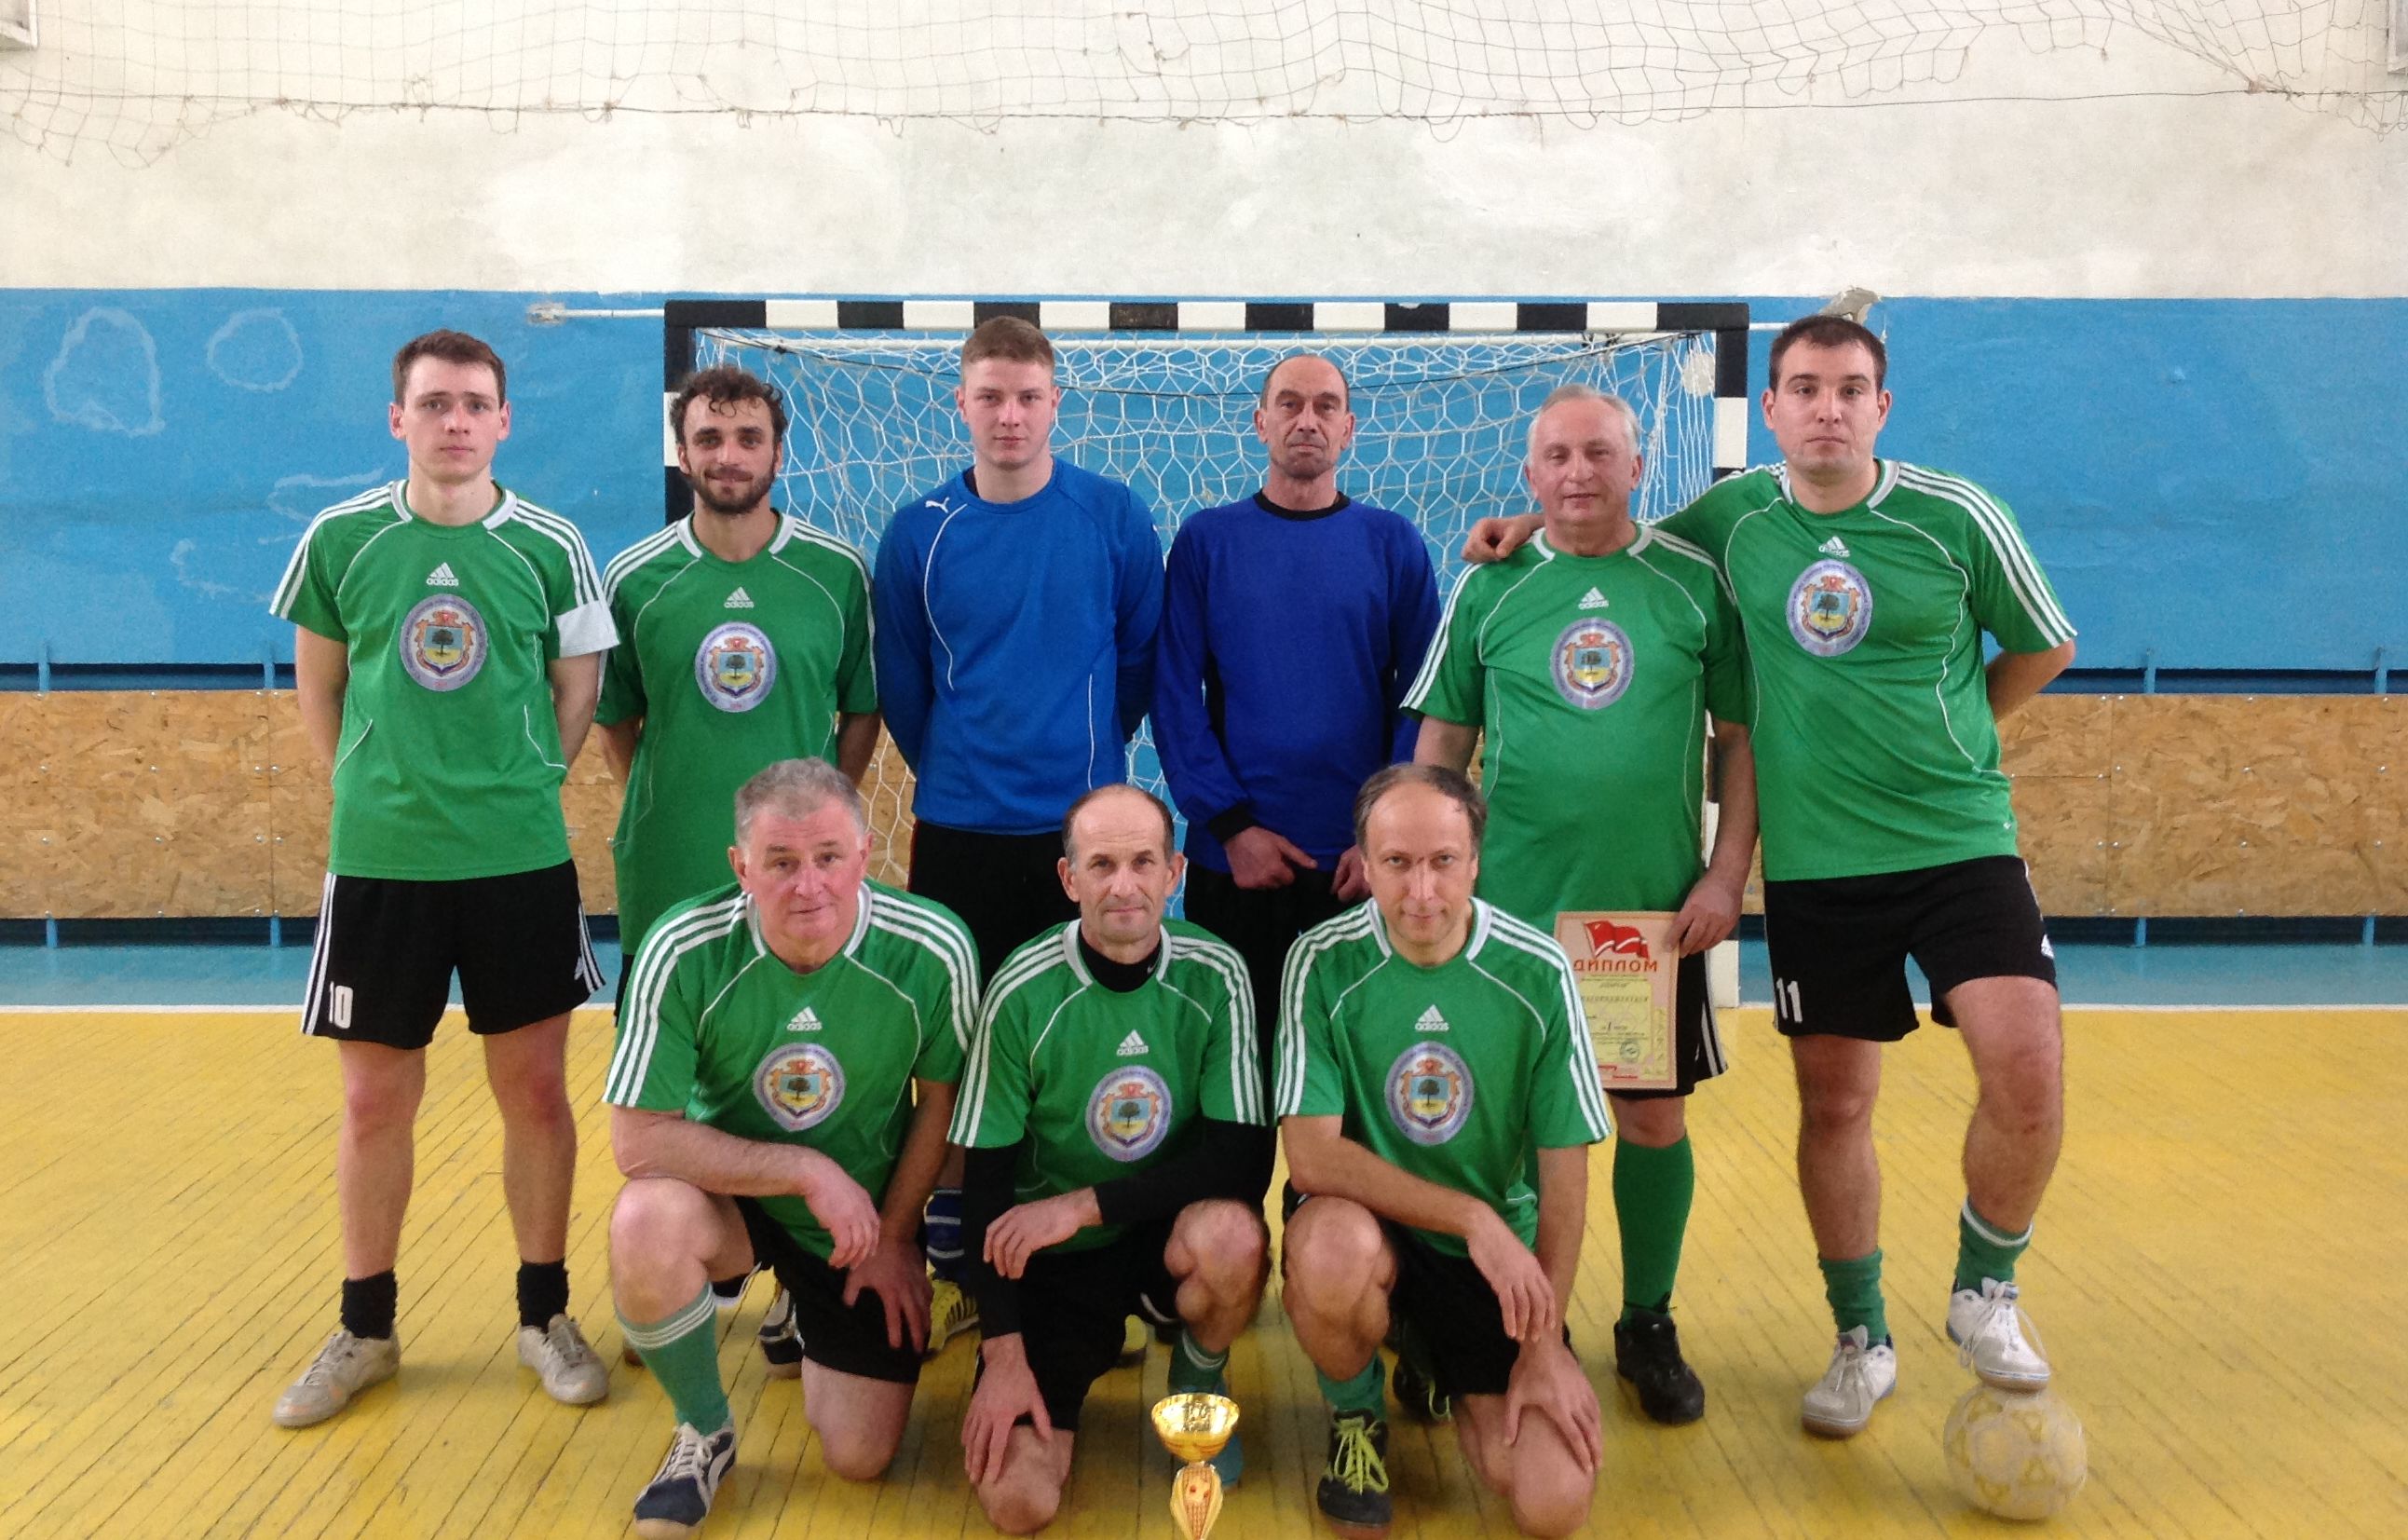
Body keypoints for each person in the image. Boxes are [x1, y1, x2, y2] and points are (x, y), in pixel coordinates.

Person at [1463, 316, 2077, 1438]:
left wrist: (1958, 734)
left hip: (1957, 842)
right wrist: (1522, 523)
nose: (1825, 407)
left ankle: (1984, 1285)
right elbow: (1607, 522)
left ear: (1879, 406)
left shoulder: (1954, 516)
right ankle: (1859, 1336)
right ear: (1773, 409)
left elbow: (2044, 645)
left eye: (1847, 388)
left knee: (2026, 1065)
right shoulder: (1733, 518)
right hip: (1816, 863)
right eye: (1802, 387)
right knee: (1834, 1103)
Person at [266, 329, 615, 1427]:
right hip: (384, 864)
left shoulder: (553, 546)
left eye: (473, 404)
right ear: (397, 419)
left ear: (503, 421)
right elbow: (319, 687)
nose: (454, 421)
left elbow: (577, 689)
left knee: (536, 1094)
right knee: (374, 1100)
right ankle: (365, 1329)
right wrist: (367, 790)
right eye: (433, 403)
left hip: (519, 860)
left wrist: (527, 783)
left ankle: (543, 1316)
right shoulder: (341, 539)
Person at [1407, 385, 1757, 1427]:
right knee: (1504, 1126)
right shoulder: (1490, 585)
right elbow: (1441, 743)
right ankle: (1503, 1317)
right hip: (1508, 918)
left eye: (1598, 453)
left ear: (1636, 467)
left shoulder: (1691, 583)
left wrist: (1725, 875)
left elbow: (1738, 742)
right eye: (1555, 456)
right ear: (1528, 473)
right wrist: (1425, 878)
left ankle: (1646, 1319)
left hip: (1644, 920)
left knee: (1649, 1118)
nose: (1576, 473)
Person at [873, 316, 1165, 1348]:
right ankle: (962, 1262)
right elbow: (904, 689)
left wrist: (1080, 781)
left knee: (1086, 1044)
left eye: (1027, 396)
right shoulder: (918, 532)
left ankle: (1108, 1257)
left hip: (1079, 835)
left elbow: (1137, 664)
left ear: (1055, 404)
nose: (1009, 415)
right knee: (959, 1058)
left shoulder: (1111, 515)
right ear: (960, 403)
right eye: (990, 396)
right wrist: (964, 771)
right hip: (959, 832)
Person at [603, 758, 976, 1539]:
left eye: (828, 857)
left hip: (859, 1222)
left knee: (860, 1454)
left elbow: (941, 1105)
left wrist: (896, 1237)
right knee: (644, 1220)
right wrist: (806, 1170)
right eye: (780, 862)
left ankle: (803, 1313)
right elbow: (636, 1139)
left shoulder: (933, 947)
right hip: (730, 1199)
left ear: (864, 854)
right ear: (740, 867)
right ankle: (702, 1429)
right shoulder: (681, 947)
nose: (809, 885)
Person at [1276, 765, 1612, 1538]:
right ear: (1364, 864)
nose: (1421, 891)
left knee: (1550, 1502)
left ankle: (1429, 1356)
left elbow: (1565, 1179)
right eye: (1396, 862)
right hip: (1371, 1229)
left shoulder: (1538, 971)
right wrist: (1470, 1217)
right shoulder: (1319, 961)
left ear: (1475, 862)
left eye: (1442, 861)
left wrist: (1542, 1344)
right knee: (1329, 1250)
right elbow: (1312, 1159)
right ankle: (1356, 1416)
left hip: (1485, 1261)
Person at [949, 784, 1271, 1535]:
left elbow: (1240, 1158)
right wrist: (1003, 1350)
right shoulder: (1022, 989)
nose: (1123, 884)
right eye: (1100, 864)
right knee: (1020, 1502)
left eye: (1142, 862)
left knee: (1231, 1235)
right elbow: (984, 1187)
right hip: (1055, 1264)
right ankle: (1068, 1354)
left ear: (1174, 871)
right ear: (1069, 879)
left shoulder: (1216, 972)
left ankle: (1198, 1371)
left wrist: (1083, 1204)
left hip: (1162, 1236)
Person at [1155, 351, 1440, 1115]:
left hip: (1359, 870)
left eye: (1324, 406)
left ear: (1349, 428)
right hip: (1235, 864)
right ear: (1260, 422)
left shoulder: (1392, 542)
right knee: (1236, 1096)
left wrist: (1381, 837)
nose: (1305, 420)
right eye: (1288, 403)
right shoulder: (1206, 541)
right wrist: (1230, 825)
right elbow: (1174, 692)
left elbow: (1423, 703)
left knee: (1357, 1092)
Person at [598, 364, 878, 972]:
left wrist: (821, 806)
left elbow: (863, 709)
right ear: (682, 455)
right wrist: (658, 806)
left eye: (749, 439)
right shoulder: (633, 579)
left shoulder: (838, 573)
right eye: (709, 439)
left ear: (778, 455)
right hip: (670, 868)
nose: (728, 456)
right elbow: (614, 717)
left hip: (798, 878)